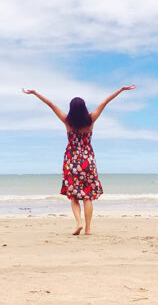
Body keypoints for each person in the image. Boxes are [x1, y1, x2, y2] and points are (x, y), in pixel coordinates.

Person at [22, 85, 136, 235]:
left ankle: (78, 223)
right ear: (84, 108)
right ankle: (88, 229)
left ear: (71, 109)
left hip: (72, 161)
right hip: (87, 161)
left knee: (74, 196)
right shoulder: (91, 119)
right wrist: (121, 90)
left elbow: (51, 105)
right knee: (87, 196)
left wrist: (35, 93)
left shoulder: (67, 121)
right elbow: (105, 102)